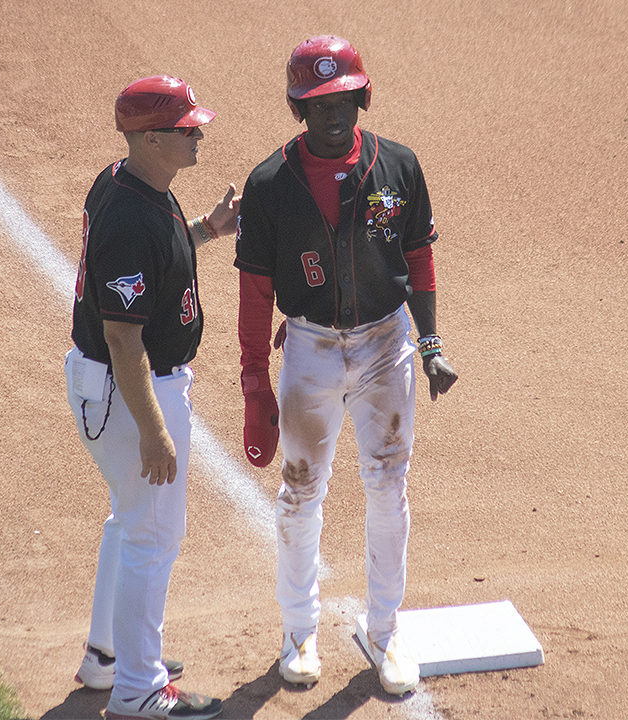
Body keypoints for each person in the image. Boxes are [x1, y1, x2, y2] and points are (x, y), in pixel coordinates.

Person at [234, 36, 458, 697]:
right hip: (308, 345)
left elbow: (418, 257)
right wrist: (254, 381)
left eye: (341, 98)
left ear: (360, 95)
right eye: (316, 101)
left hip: (387, 343)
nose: (332, 111)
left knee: (389, 485)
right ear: (298, 108)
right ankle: (298, 631)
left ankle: (386, 633)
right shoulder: (270, 184)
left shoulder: (399, 166)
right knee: (301, 490)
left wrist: (432, 344)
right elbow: (255, 293)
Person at [66, 75, 238, 720]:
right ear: (149, 136)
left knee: (131, 521)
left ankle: (107, 658)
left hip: (111, 386)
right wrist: (155, 430)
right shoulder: (132, 216)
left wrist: (205, 230)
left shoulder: (129, 182)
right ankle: (139, 689)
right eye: (187, 129)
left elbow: (153, 267)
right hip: (132, 389)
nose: (199, 135)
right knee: (154, 534)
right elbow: (122, 335)